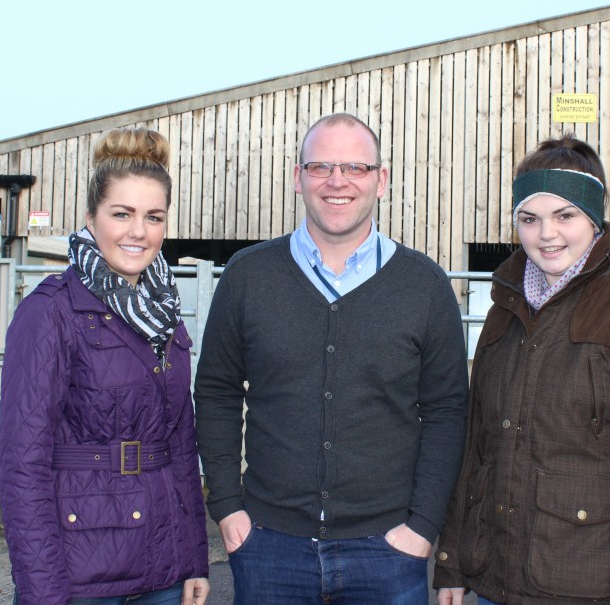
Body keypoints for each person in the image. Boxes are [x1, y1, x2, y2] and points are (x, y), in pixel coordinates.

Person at [194, 112, 469, 604]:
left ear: (381, 180)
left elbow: (448, 411)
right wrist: (228, 508)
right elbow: (215, 392)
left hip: (388, 552)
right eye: (320, 166)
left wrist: (423, 527)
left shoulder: (424, 285)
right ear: (297, 177)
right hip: (268, 547)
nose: (337, 181)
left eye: (355, 168)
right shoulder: (247, 277)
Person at [434, 134, 610, 605]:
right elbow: (476, 447)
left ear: (594, 218)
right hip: (490, 582)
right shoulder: (504, 306)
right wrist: (452, 563)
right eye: (529, 218)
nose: (547, 234)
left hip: (586, 586)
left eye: (565, 215)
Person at [0, 128, 210, 605]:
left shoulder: (164, 313)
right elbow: (22, 466)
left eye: (153, 217)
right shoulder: (50, 312)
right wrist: (42, 592)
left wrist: (194, 557)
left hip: (164, 567)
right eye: (122, 214)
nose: (139, 231)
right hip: (81, 575)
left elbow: (180, 443)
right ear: (91, 218)